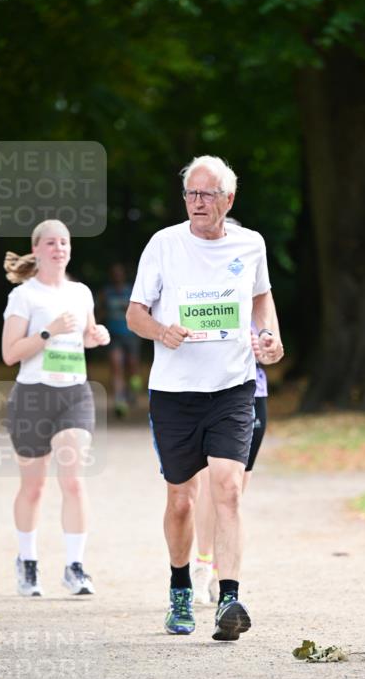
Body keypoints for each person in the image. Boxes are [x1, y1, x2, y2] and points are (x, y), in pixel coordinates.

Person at [126, 155, 284, 641]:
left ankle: (229, 598)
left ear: (228, 200)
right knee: (180, 501)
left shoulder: (250, 244)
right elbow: (135, 314)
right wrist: (161, 330)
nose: (197, 203)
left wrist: (270, 337)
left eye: (207, 194)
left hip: (233, 388)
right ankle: (179, 589)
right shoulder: (164, 245)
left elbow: (261, 299)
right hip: (175, 393)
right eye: (191, 194)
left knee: (229, 489)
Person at [1, 219, 110, 597]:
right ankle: (28, 563)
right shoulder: (24, 297)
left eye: (64, 242)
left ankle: (75, 567)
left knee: (74, 481)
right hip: (32, 397)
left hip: (74, 395)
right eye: (51, 242)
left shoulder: (81, 292)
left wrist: (96, 336)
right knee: (32, 489)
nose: (59, 248)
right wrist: (47, 331)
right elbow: (10, 353)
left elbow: (87, 335)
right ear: (37, 249)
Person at [192, 322, 270, 604]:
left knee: (232, 493)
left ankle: (218, 572)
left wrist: (263, 347)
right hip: (207, 394)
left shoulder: (259, 303)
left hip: (253, 395)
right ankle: (201, 564)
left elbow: (274, 352)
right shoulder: (204, 293)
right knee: (208, 484)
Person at [98, 263, 142, 417]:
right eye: (114, 274)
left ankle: (134, 389)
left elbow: (141, 311)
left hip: (130, 334)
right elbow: (100, 312)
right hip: (114, 335)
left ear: (123, 275)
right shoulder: (107, 293)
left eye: (119, 273)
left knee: (132, 365)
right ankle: (119, 401)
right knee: (116, 366)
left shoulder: (131, 291)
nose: (117, 276)